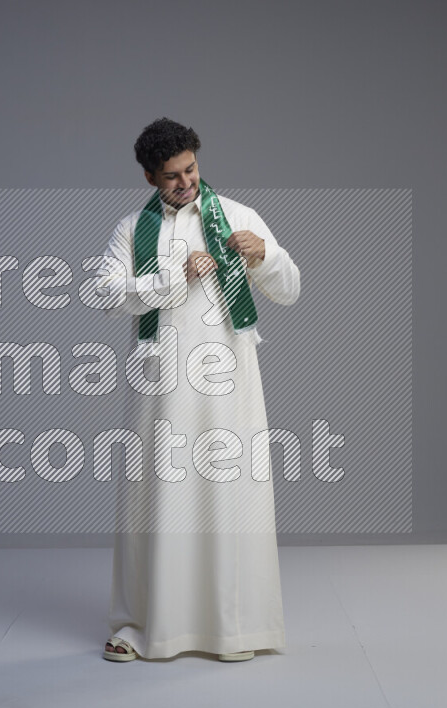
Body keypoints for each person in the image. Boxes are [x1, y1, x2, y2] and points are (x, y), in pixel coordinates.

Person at [96, 118, 301, 662]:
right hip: (159, 386)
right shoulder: (130, 230)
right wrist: (174, 276)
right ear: (149, 177)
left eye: (190, 169)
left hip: (228, 383)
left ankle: (233, 629)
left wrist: (265, 256)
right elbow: (108, 294)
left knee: (227, 494)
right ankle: (141, 625)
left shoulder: (237, 216)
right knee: (153, 497)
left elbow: (290, 290)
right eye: (172, 176)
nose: (186, 182)